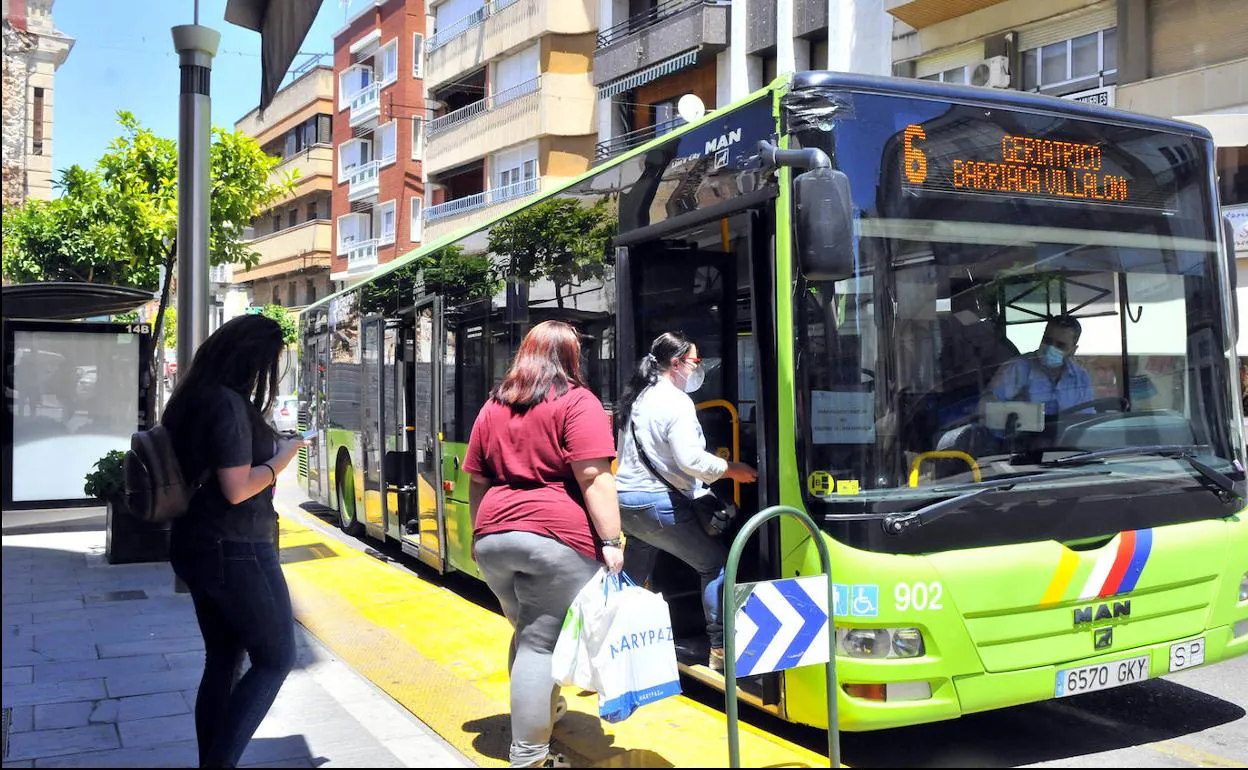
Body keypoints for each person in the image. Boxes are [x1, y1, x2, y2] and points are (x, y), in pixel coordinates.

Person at [463, 320, 624, 769]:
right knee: (539, 643)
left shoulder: (494, 406)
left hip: (494, 538)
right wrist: (611, 539)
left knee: (530, 632)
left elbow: (477, 479)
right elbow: (593, 477)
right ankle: (530, 756)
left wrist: (480, 533)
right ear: (572, 357)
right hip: (554, 538)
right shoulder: (578, 402)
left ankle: (545, 709)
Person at [160, 314, 305, 769]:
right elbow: (237, 487)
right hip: (236, 547)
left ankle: (211, 761)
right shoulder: (226, 404)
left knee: (223, 661)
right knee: (276, 658)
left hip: (198, 544)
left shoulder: (190, 398)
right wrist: (282, 458)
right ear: (253, 359)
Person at [614, 332, 757, 673]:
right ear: (676, 364)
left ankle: (612, 649)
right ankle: (721, 650)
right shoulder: (676, 402)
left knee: (632, 578)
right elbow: (690, 460)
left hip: (627, 503)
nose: (698, 368)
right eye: (694, 362)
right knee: (716, 565)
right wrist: (733, 470)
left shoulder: (637, 398)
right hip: (656, 504)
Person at [986, 314, 1094, 417]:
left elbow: (1086, 417)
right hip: (1022, 435)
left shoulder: (1080, 377)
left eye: (1060, 345)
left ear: (1073, 350)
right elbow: (988, 405)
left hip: (1066, 434)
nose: (1051, 348)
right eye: (1047, 340)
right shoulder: (1017, 367)